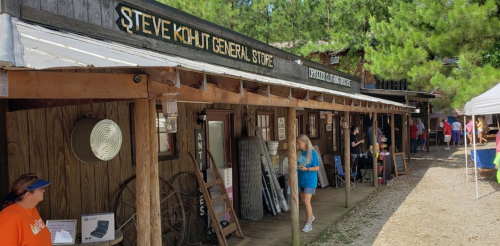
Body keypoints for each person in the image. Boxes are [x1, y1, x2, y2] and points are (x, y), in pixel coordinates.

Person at [0, 173, 52, 246]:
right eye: (40, 188)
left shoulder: (32, 208)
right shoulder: (9, 218)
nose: (43, 190)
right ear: (28, 195)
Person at [295, 135, 319, 232]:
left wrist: (307, 169)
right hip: (300, 179)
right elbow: (295, 166)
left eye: (299, 143)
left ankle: (309, 224)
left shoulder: (313, 153)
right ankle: (311, 215)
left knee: (306, 201)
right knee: (303, 201)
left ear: (305, 143)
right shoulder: (298, 153)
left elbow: (317, 167)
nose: (298, 145)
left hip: (310, 179)